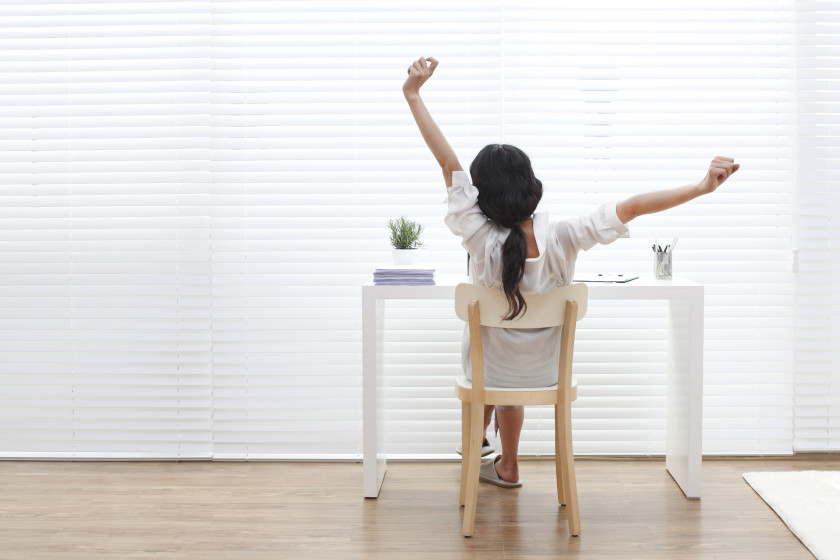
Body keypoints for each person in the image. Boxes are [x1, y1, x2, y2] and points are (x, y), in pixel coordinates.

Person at [403, 56, 739, 487]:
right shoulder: (565, 235)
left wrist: (413, 94)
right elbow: (633, 206)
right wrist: (699, 187)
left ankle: (478, 447)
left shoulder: (476, 236)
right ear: (531, 185)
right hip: (545, 374)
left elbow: (447, 162)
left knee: (487, 356)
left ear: (481, 196)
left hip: (490, 373)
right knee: (508, 361)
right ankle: (508, 462)